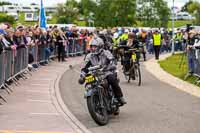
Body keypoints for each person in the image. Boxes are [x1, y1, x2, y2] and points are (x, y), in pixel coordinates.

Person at [79, 36, 126, 105]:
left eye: (95, 47)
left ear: (100, 46)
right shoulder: (89, 56)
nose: (92, 48)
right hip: (95, 73)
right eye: (91, 46)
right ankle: (94, 98)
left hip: (106, 72)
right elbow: (85, 67)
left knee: (112, 79)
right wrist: (82, 75)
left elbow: (112, 60)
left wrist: (112, 64)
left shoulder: (106, 53)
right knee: (89, 83)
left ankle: (119, 97)